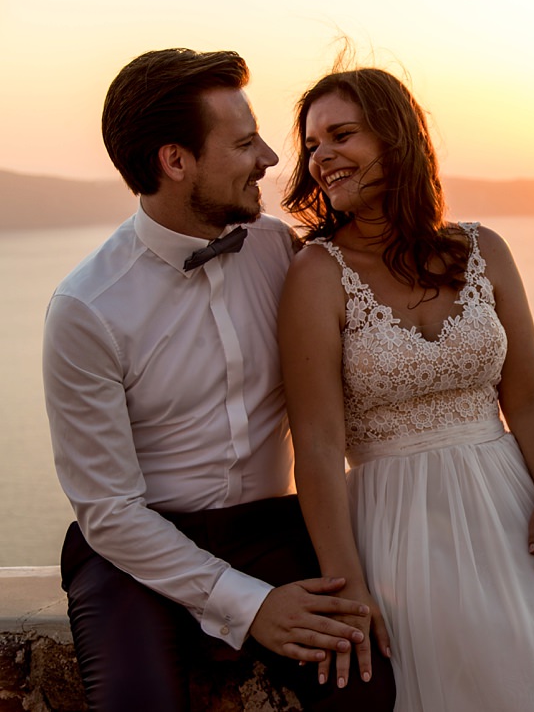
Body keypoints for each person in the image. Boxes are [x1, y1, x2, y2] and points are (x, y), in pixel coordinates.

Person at [275, 66, 534, 709]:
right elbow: (317, 445)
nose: (322, 158)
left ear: (394, 139)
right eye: (312, 145)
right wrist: (347, 584)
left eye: (341, 136)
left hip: (517, 509)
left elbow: (532, 397)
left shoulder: (485, 250)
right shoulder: (316, 275)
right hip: (402, 526)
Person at [44, 48, 395, 710]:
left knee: (368, 685)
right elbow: (108, 512)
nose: (269, 156)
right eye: (243, 142)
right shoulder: (85, 308)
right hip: (133, 550)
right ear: (175, 162)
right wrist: (252, 605)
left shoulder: (281, 251)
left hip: (272, 529)